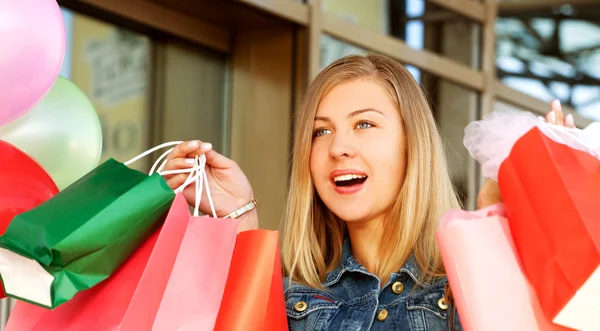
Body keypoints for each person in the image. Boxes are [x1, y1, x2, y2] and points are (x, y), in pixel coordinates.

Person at [161, 54, 574, 330]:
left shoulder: (465, 287)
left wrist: (538, 217)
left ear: (413, 145)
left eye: (364, 124)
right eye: (320, 131)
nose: (338, 146)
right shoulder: (295, 304)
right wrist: (240, 219)